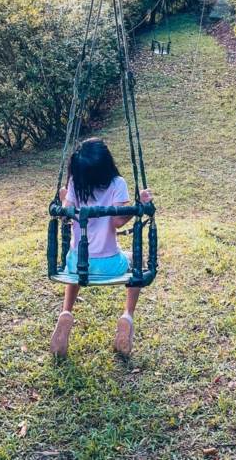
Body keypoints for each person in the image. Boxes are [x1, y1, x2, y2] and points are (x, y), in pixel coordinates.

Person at [50, 138, 153, 357]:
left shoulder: (76, 182)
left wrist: (63, 199)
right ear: (107, 162)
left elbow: (65, 218)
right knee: (138, 260)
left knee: (78, 268)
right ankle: (127, 316)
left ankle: (66, 311)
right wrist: (140, 204)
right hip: (109, 265)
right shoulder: (117, 183)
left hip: (77, 264)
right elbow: (117, 221)